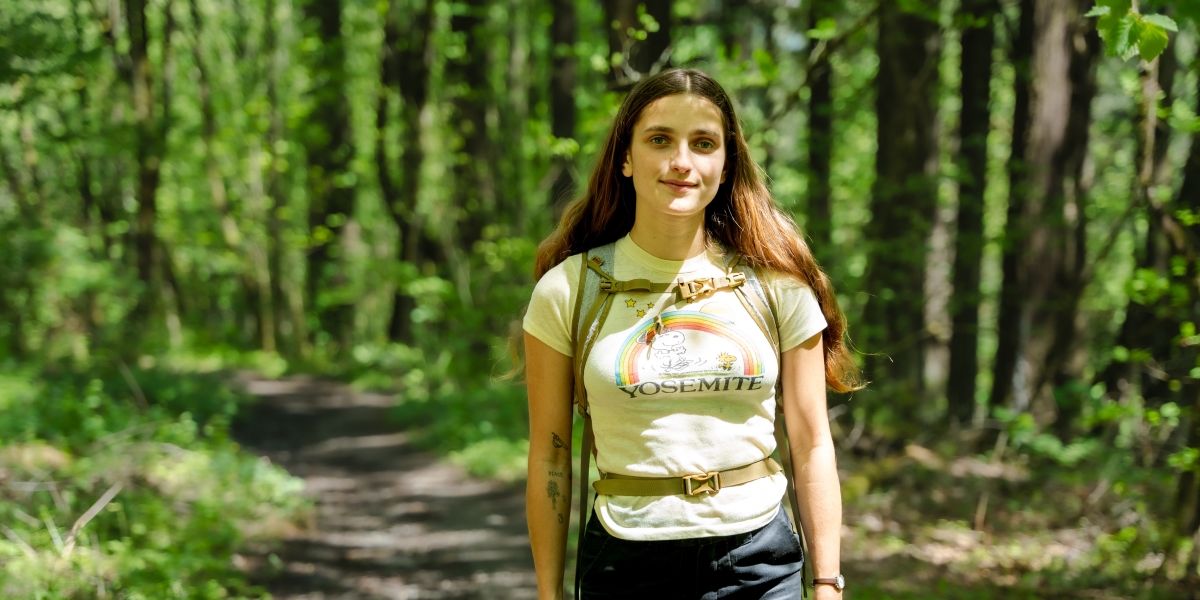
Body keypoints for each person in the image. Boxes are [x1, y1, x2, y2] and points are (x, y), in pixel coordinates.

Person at [522, 68, 861, 600]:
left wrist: (826, 583)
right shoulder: (569, 291)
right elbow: (549, 453)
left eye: (703, 143)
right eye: (660, 140)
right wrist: (548, 593)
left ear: (725, 166)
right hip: (624, 558)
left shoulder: (779, 288)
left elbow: (813, 442)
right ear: (626, 159)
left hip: (759, 560)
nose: (682, 162)